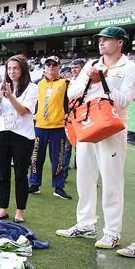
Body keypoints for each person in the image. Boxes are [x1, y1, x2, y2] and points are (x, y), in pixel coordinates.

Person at [57, 27, 135, 250]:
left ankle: (112, 232)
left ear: (120, 43)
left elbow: (124, 101)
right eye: (100, 39)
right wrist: (91, 79)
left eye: (107, 39)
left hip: (111, 125)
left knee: (111, 180)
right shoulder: (92, 64)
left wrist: (102, 80)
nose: (101, 42)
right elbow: (72, 92)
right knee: (84, 175)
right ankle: (85, 223)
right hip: (86, 122)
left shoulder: (129, 67)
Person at [0, 55, 38, 223]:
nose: (12, 71)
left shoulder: (32, 88)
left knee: (20, 175)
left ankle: (20, 211)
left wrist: (10, 96)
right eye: (9, 68)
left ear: (23, 69)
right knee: (2, 174)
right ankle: (3, 209)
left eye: (15, 68)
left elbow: (24, 111)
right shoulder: (0, 86)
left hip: (23, 136)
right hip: (0, 133)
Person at [28, 55, 72, 200]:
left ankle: (58, 187)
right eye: (48, 64)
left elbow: (71, 102)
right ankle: (34, 184)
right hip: (39, 126)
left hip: (58, 127)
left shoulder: (66, 83)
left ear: (59, 67)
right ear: (45, 67)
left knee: (58, 159)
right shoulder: (37, 84)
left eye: (54, 64)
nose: (51, 67)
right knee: (36, 157)